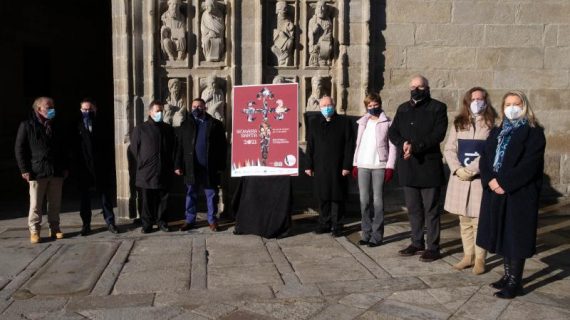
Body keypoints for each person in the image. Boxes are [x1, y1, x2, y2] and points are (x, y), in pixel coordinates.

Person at [477, 91, 545, 299]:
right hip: (496, 191)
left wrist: (504, 183)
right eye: (508, 104)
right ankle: (507, 276)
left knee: (516, 236)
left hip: (519, 193)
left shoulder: (533, 132)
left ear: (524, 106)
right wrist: (490, 180)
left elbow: (530, 165)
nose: (512, 108)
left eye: (516, 103)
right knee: (503, 233)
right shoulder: (498, 131)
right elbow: (485, 157)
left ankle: (516, 282)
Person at [388, 75, 448, 262]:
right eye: (413, 87)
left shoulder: (438, 108)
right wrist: (403, 143)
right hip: (408, 166)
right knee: (413, 208)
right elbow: (393, 131)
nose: (416, 90)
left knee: (431, 209)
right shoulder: (403, 108)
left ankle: (433, 247)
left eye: (420, 87)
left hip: (428, 166)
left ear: (427, 88)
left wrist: (415, 146)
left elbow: (438, 134)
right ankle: (416, 242)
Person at [444, 87, 497, 274]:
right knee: (464, 220)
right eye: (473, 99)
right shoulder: (459, 123)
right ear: (467, 101)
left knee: (479, 221)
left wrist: (470, 169)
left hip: (478, 180)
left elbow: (489, 154)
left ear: (486, 101)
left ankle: (480, 259)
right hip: (460, 179)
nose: (477, 102)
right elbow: (449, 149)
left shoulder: (492, 125)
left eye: (480, 99)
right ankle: (468, 256)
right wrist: (457, 168)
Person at [15, 97, 69, 243]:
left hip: (56, 170)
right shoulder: (27, 125)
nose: (52, 109)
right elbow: (20, 149)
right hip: (37, 170)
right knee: (35, 204)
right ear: (39, 109)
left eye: (53, 106)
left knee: (55, 203)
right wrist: (24, 169)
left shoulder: (57, 125)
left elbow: (64, 147)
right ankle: (34, 230)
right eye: (48, 107)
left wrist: (65, 167)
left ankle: (55, 228)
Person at [175, 98, 227, 232]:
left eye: (199, 106)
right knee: (191, 193)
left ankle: (212, 220)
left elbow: (222, 147)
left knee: (211, 194)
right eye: (193, 106)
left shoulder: (215, 124)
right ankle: (190, 220)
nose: (196, 109)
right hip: (191, 167)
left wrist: (221, 166)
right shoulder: (185, 124)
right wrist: (177, 165)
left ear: (205, 107)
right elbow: (179, 147)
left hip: (209, 168)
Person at [305, 96, 353, 237]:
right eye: (323, 105)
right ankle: (324, 223)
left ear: (334, 105)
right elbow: (310, 146)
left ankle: (337, 225)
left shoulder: (344, 122)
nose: (326, 107)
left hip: (338, 166)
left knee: (337, 196)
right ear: (320, 107)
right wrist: (309, 165)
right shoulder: (314, 123)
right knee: (323, 196)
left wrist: (346, 166)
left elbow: (349, 145)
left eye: (329, 105)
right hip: (320, 166)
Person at [352, 93, 396, 247]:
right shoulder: (363, 122)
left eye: (375, 105)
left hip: (379, 166)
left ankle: (377, 236)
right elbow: (358, 144)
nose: (372, 107)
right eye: (369, 105)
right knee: (364, 201)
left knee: (378, 202)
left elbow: (393, 146)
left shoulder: (387, 122)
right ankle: (366, 234)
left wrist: (390, 166)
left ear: (380, 104)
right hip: (363, 165)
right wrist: (355, 163)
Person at [73, 98, 120, 235]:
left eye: (90, 109)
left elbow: (109, 145)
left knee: (105, 197)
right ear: (81, 110)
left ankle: (110, 222)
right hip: (84, 167)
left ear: (95, 109)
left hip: (101, 166)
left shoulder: (103, 124)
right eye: (85, 110)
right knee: (85, 198)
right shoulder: (76, 125)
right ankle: (86, 225)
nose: (87, 112)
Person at [130, 100, 176, 233]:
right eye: (157, 111)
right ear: (150, 112)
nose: (160, 113)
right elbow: (134, 149)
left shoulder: (168, 129)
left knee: (164, 199)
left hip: (164, 169)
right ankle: (147, 224)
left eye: (162, 111)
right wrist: (142, 163)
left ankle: (162, 222)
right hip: (146, 171)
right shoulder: (141, 129)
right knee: (147, 200)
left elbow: (173, 148)